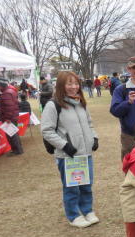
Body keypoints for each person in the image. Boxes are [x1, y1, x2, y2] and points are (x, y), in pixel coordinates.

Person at [41, 71, 99, 228]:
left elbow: (89, 123)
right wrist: (64, 145)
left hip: (85, 153)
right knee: (71, 187)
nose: (74, 87)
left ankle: (87, 210)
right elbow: (47, 130)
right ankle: (73, 215)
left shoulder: (81, 102)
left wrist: (94, 137)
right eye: (69, 83)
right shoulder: (53, 105)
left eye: (76, 83)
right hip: (68, 156)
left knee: (86, 184)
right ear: (61, 86)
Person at [0, 78, 24, 156]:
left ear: (1, 86)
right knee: (13, 133)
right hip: (12, 116)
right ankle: (18, 149)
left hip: (9, 118)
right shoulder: (10, 91)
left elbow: (9, 107)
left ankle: (17, 150)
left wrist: (7, 118)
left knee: (11, 135)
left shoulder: (6, 93)